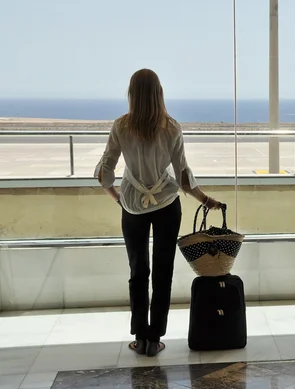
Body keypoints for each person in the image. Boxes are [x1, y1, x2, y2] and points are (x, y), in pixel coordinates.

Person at [94, 68, 221, 357]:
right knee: (163, 272)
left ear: (131, 94)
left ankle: (139, 337)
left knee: (138, 271)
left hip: (132, 206)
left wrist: (117, 197)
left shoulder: (121, 126)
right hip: (166, 205)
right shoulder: (171, 127)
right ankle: (155, 338)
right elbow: (183, 174)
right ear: (159, 93)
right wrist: (205, 199)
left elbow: (105, 172)